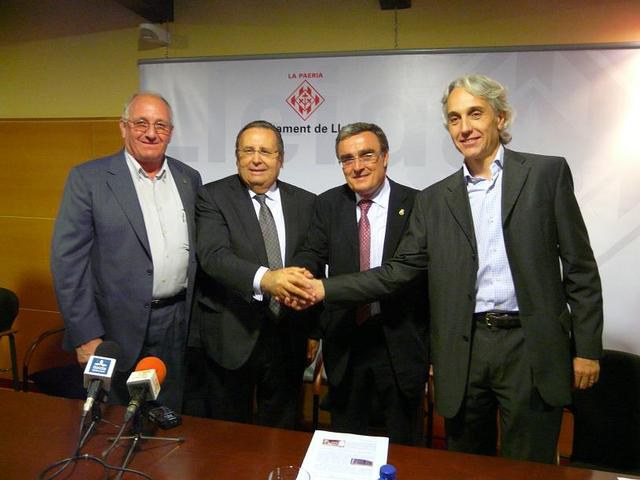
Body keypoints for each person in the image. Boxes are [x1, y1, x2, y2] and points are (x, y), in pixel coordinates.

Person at [287, 74, 603, 463]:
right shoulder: (435, 199)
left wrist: (587, 349)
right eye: (455, 118)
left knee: (528, 466)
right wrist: (324, 289)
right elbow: (398, 271)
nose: (464, 127)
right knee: (463, 464)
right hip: (464, 349)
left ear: (500, 117)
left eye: (475, 114)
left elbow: (580, 267)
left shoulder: (546, 175)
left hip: (530, 347)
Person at [51, 92, 202, 412]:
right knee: (114, 420)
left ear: (171, 132)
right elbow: (68, 264)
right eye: (141, 123)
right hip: (113, 330)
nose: (151, 133)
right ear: (123, 127)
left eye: (161, 125)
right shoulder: (88, 179)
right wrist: (85, 336)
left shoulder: (188, 178)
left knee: (167, 414)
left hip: (175, 323)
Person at [294, 123, 429, 444]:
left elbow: (405, 274)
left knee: (405, 449)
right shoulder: (328, 204)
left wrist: (323, 289)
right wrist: (298, 276)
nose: (357, 166)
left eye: (367, 155)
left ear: (385, 157)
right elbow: (312, 253)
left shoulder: (417, 204)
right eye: (347, 159)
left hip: (399, 341)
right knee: (346, 444)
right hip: (347, 341)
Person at [192, 120, 317, 428]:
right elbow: (214, 257)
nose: (256, 159)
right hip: (232, 332)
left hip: (288, 335)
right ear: (237, 157)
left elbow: (312, 256)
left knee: (282, 430)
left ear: (280, 159)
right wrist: (267, 279)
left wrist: (313, 328)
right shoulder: (212, 196)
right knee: (228, 433)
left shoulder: (306, 202)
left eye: (265, 151)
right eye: (247, 151)